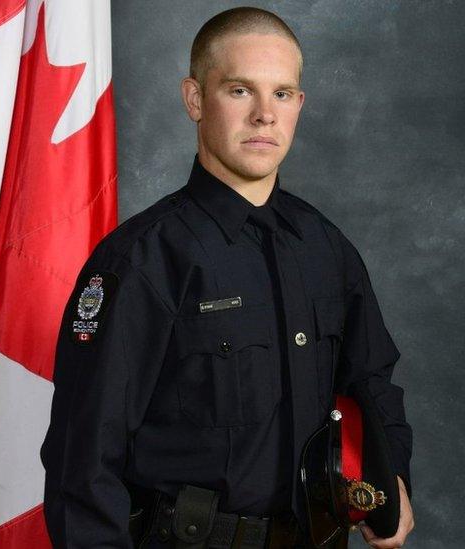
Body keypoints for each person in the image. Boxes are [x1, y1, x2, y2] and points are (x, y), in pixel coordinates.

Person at [41, 7, 413, 549]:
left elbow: (372, 380)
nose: (265, 115)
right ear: (195, 99)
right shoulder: (143, 260)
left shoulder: (326, 248)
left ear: (299, 106)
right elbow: (84, 456)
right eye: (240, 91)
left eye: (282, 94)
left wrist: (391, 480)